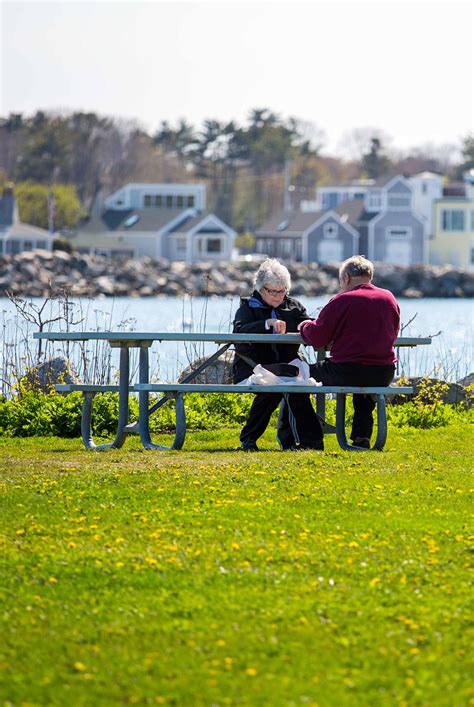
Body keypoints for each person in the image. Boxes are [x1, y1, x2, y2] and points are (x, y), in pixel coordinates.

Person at [298, 255, 400, 449]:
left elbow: (318, 337)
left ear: (345, 278)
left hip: (347, 370)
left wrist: (305, 326)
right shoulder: (389, 298)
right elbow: (393, 332)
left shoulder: (342, 300)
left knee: (299, 375)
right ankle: (362, 435)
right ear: (369, 276)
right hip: (384, 372)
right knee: (364, 383)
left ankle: (308, 436)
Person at [232, 258, 324, 452]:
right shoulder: (248, 308)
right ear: (260, 288)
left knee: (298, 388)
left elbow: (310, 326)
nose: (277, 296)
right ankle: (248, 439)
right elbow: (239, 333)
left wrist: (313, 325)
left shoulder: (293, 307)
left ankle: (310, 443)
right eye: (272, 291)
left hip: (286, 368)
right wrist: (267, 324)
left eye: (282, 291)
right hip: (252, 367)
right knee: (271, 388)